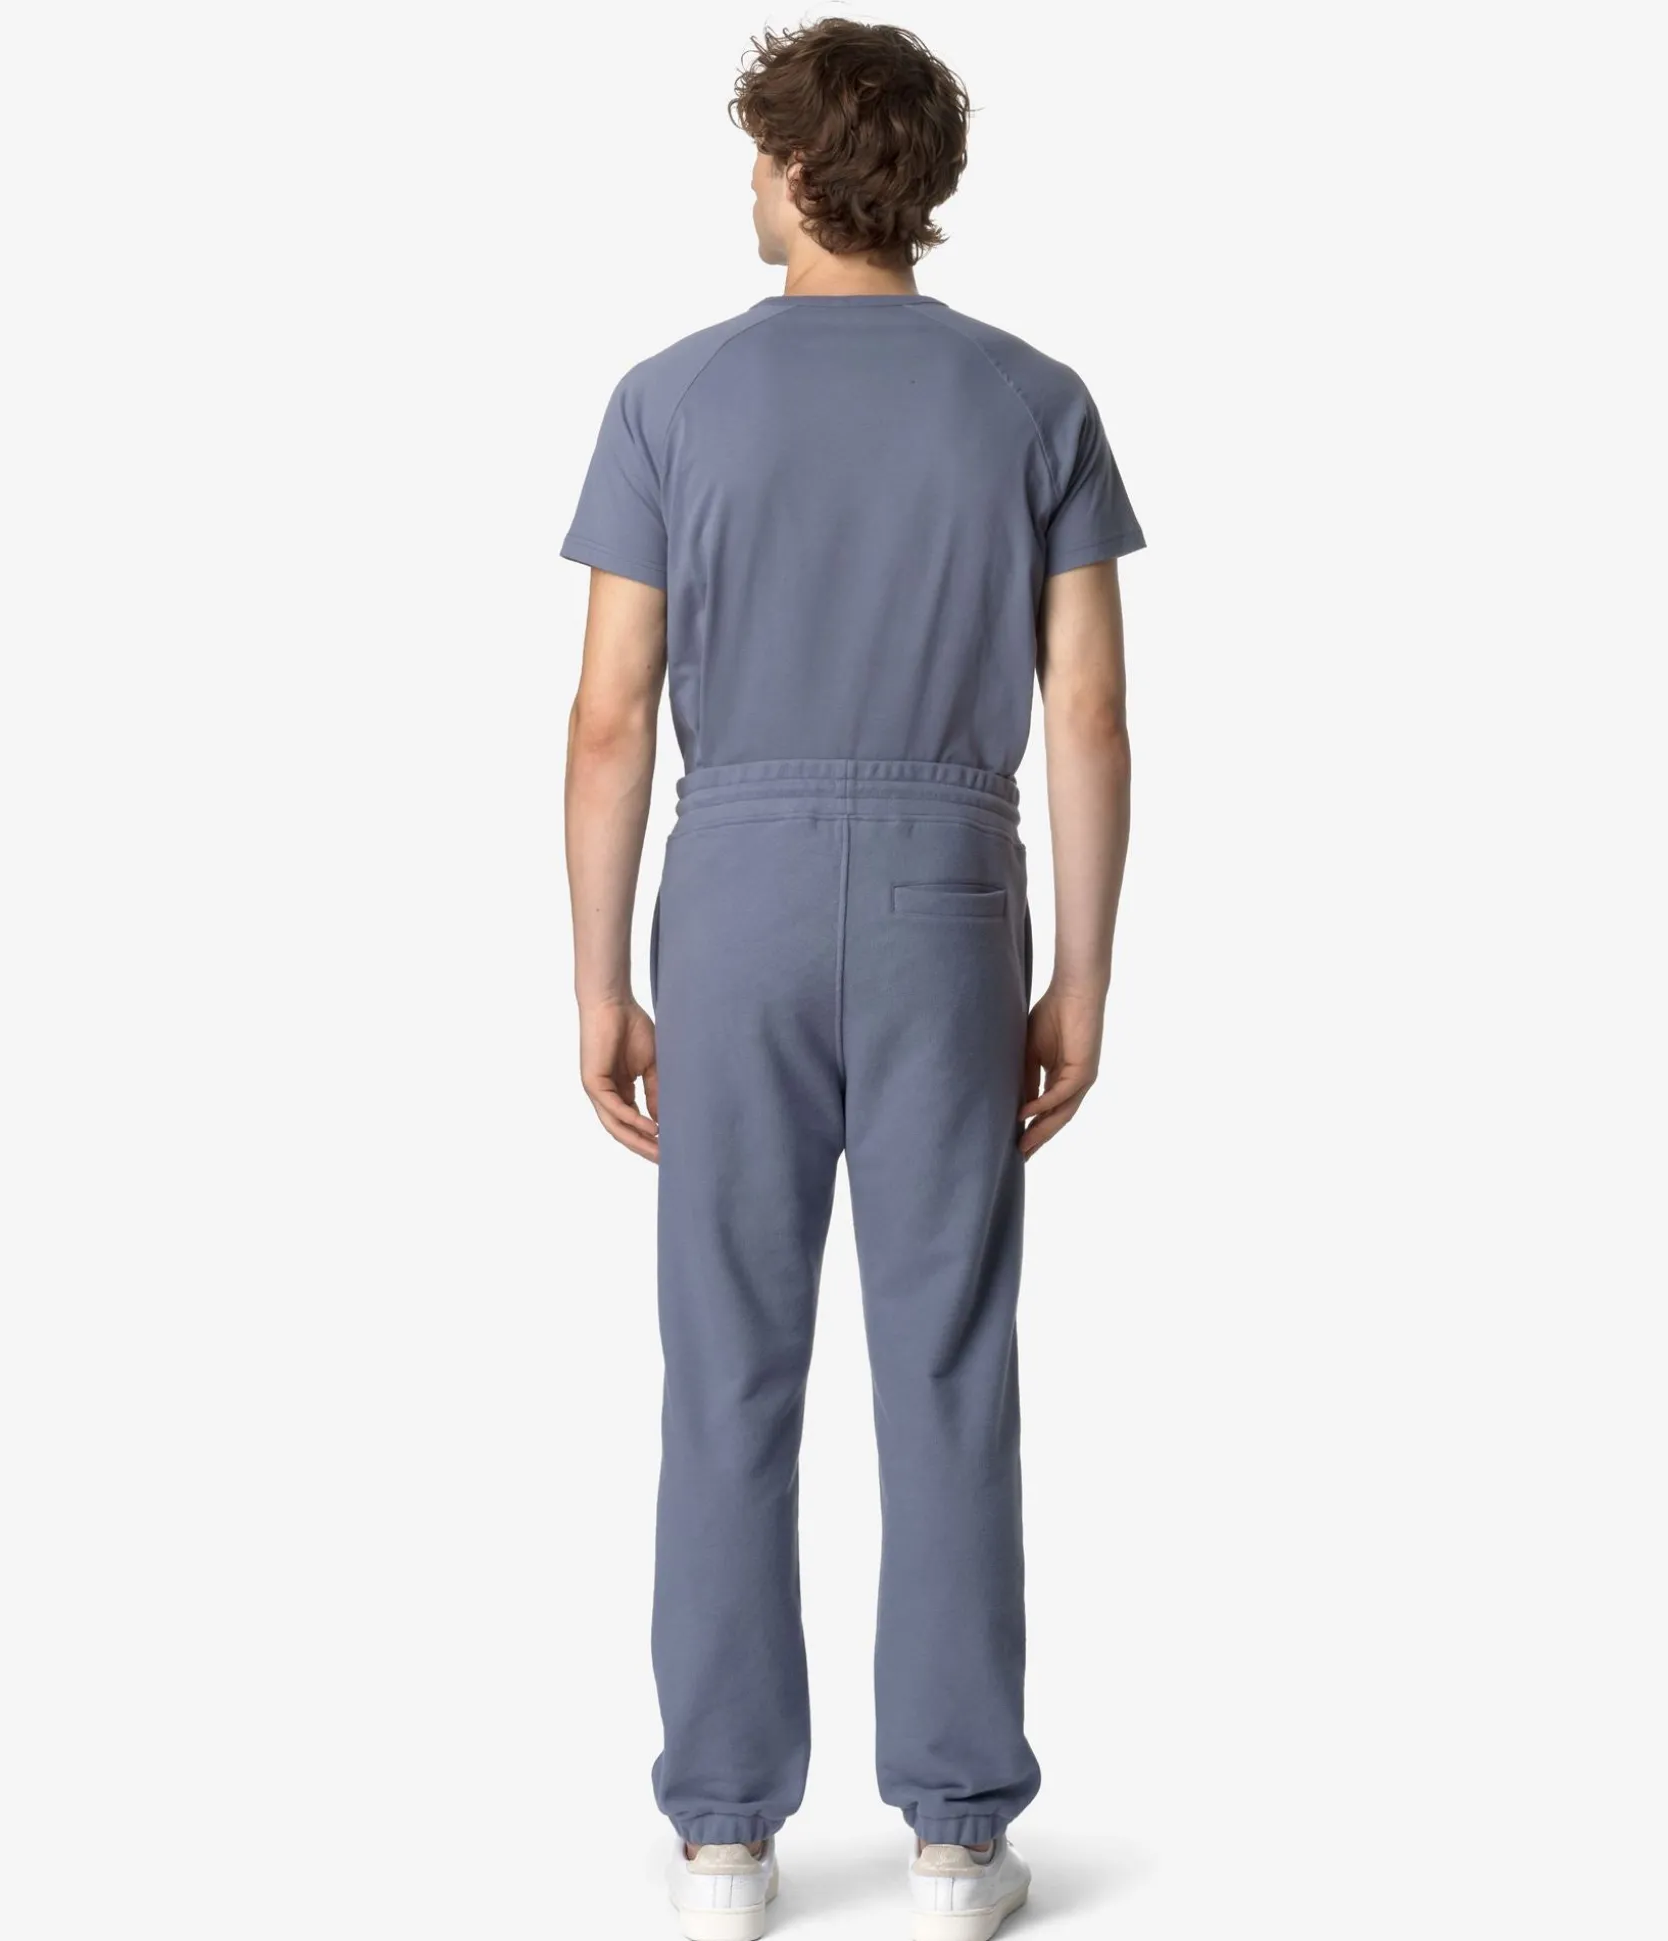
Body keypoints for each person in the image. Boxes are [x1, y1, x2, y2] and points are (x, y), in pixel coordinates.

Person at [560, 21, 1142, 1940]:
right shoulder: (1035, 399)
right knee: (948, 1359)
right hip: (945, 897)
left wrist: (598, 980)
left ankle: (725, 1841)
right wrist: (1082, 975)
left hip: (729, 892)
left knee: (728, 1362)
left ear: (804, 170)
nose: (748, 181)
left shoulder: (669, 398)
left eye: (759, 153)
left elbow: (610, 718)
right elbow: (1087, 712)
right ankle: (960, 1839)